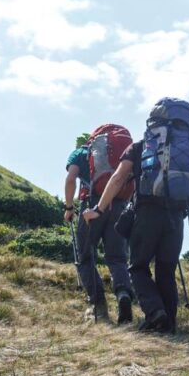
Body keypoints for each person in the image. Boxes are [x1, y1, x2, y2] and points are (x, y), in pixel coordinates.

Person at [84, 98, 189, 334]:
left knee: (137, 267)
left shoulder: (139, 147)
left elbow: (118, 178)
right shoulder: (188, 148)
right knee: (166, 270)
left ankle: (155, 314)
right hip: (177, 215)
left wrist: (98, 209)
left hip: (147, 212)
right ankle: (169, 325)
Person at [64, 131, 134, 325]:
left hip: (91, 207)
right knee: (118, 258)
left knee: (85, 256)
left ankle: (98, 305)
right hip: (119, 205)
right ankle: (122, 295)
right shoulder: (122, 152)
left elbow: (71, 180)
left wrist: (69, 208)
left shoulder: (79, 153)